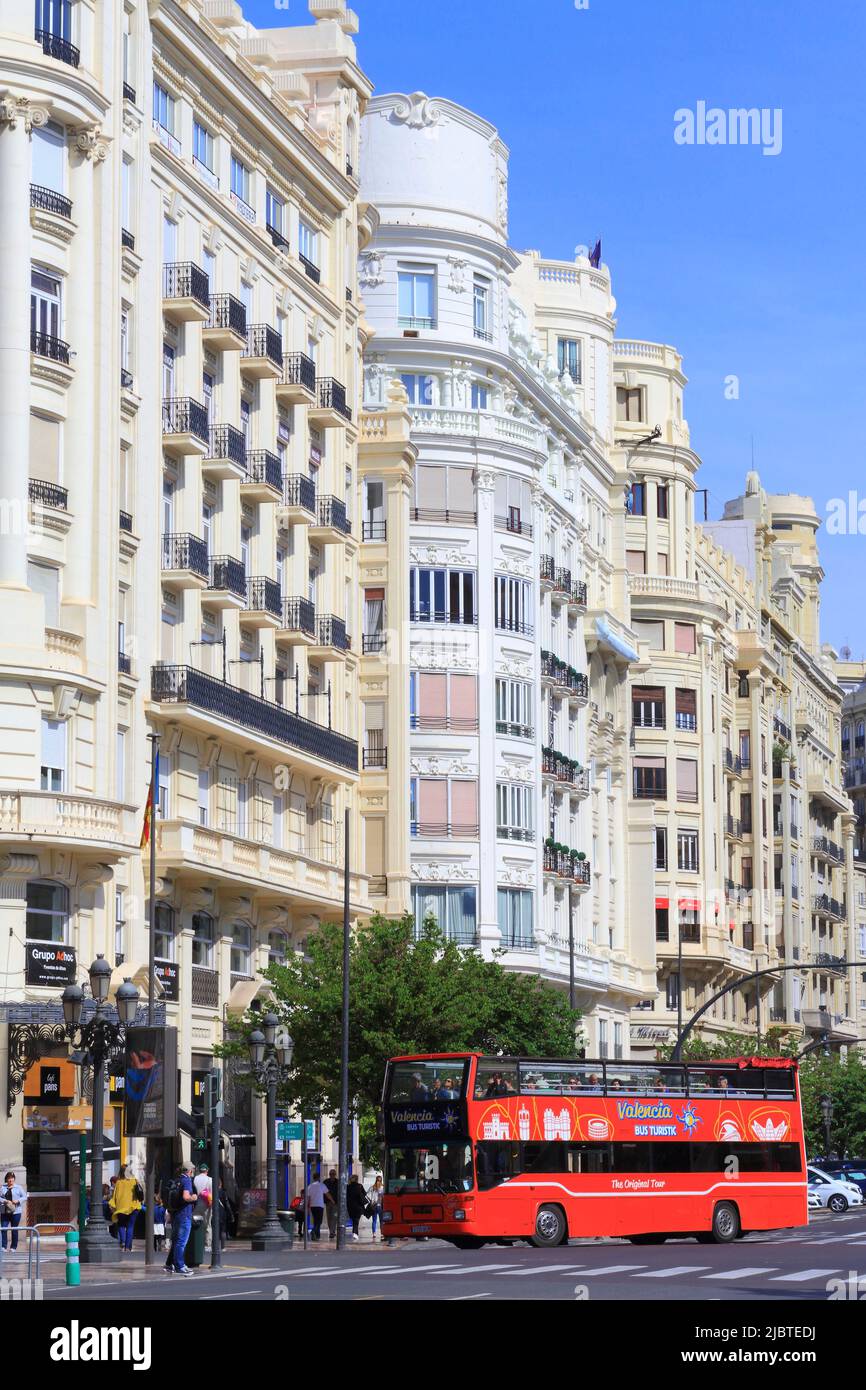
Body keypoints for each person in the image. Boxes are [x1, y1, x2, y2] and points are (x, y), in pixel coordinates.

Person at [164, 1162, 197, 1276]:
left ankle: (169, 1264)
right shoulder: (187, 1181)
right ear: (190, 1171)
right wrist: (193, 1197)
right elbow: (186, 1196)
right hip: (184, 1215)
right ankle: (180, 1266)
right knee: (181, 1242)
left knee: (176, 1240)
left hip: (176, 1214)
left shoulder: (177, 1180)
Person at [110, 1165, 143, 1254]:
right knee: (130, 1226)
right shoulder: (134, 1181)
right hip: (134, 1206)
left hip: (121, 1208)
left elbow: (114, 1196)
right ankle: (128, 1247)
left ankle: (123, 1242)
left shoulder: (118, 1183)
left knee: (121, 1225)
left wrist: (113, 1206)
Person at [1, 1171, 26, 1251]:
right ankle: (3, 1246)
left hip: (16, 1212)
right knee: (4, 1228)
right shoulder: (3, 1187)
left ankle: (13, 1247)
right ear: (6, 1179)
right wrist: (4, 1201)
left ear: (14, 1179)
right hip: (4, 1211)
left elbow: (25, 1197)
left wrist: (18, 1201)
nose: (10, 1180)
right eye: (9, 1178)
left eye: (12, 1178)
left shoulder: (18, 1187)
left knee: (14, 1229)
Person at [194, 1163, 213, 1251]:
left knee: (195, 1223)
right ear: (207, 1170)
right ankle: (207, 1245)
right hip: (206, 1205)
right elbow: (212, 1194)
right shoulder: (210, 1180)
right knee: (207, 1225)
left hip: (196, 1204)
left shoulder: (194, 1179)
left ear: (199, 1170)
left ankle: (196, 1242)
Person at [305, 1173, 328, 1242]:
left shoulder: (310, 1186)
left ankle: (317, 1235)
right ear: (318, 1178)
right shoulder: (321, 1185)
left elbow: (308, 1198)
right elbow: (327, 1194)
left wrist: (307, 1206)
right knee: (319, 1221)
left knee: (315, 1220)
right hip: (320, 1205)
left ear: (313, 1178)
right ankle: (313, 1231)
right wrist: (333, 1201)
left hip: (313, 1206)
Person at [345, 1173, 366, 1241]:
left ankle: (355, 1233)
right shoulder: (360, 1186)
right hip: (358, 1206)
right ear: (357, 1179)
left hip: (350, 1206)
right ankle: (355, 1233)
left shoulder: (348, 1187)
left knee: (354, 1220)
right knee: (356, 1220)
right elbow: (364, 1194)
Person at [367, 1175, 384, 1240]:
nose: (378, 1182)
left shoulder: (372, 1187)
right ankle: (382, 1233)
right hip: (379, 1206)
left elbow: (366, 1194)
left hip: (374, 1206)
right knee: (381, 1221)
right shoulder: (382, 1187)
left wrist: (371, 1201)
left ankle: (374, 1233)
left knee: (374, 1220)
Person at [324, 1168, 339, 1239]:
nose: (332, 1175)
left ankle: (332, 1232)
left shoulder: (338, 1182)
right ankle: (331, 1231)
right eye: (330, 1174)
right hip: (328, 1203)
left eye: (333, 1174)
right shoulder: (326, 1182)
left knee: (334, 1217)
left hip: (336, 1203)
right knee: (329, 1218)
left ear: (335, 1175)